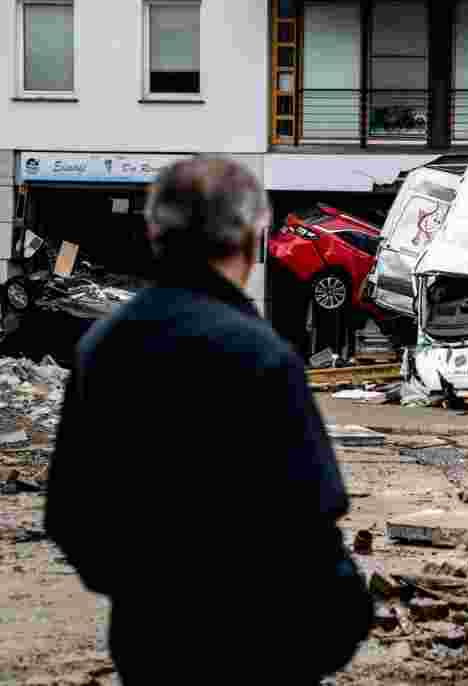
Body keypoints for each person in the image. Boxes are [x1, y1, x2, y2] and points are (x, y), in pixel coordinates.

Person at [45, 157, 373, 684]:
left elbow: (69, 513)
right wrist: (338, 622)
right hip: (260, 645)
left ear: (154, 232)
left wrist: (143, 591)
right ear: (251, 237)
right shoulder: (261, 353)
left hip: (148, 641)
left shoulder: (103, 347)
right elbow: (310, 520)